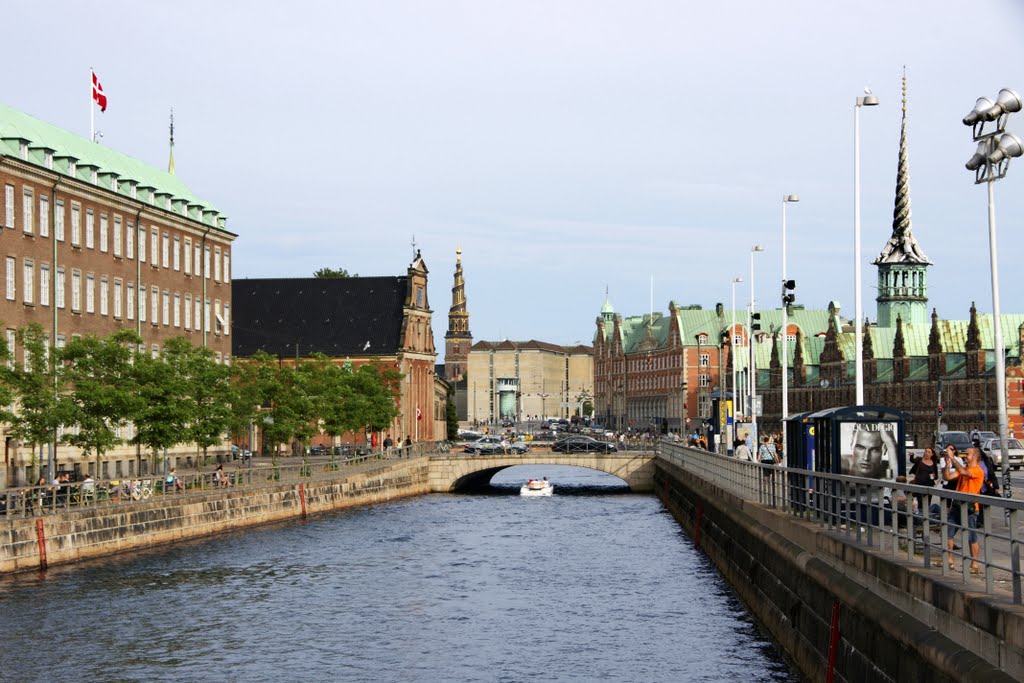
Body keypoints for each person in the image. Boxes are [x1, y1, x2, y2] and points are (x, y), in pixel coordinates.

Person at [944, 447, 985, 574]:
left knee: (971, 537)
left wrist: (952, 458)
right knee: (947, 532)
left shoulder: (978, 471)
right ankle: (949, 560)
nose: (965, 456)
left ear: (975, 457)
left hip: (970, 508)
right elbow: (948, 477)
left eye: (967, 454)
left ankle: (975, 564)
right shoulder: (965, 469)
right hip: (957, 505)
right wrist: (948, 464)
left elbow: (962, 471)